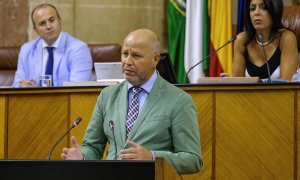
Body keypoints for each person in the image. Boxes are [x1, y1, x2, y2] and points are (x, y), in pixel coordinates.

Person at [61, 28, 203, 174]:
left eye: (136, 56)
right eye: (124, 54)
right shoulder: (108, 95)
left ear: (155, 60)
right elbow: (92, 146)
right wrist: (82, 157)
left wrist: (153, 157)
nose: (127, 61)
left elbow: (193, 160)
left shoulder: (179, 100)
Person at [12, 3, 92, 87]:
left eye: (52, 20)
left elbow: (77, 90)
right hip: (31, 100)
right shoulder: (26, 50)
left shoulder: (78, 49)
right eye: (42, 23)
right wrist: (22, 86)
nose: (48, 26)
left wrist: (37, 93)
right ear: (36, 30)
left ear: (60, 21)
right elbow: (16, 84)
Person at [232, 0, 298, 81]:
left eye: (263, 7)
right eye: (252, 8)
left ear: (274, 10)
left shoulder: (286, 38)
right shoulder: (241, 40)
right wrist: (228, 81)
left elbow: (287, 88)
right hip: (247, 94)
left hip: (279, 94)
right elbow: (236, 87)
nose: (256, 12)